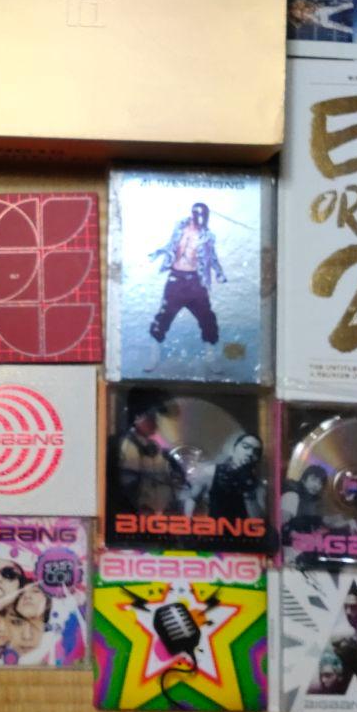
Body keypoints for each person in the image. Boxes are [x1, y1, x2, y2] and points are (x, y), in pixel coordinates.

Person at [146, 201, 225, 373]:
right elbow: (170, 246)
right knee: (163, 317)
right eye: (198, 215)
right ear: (192, 214)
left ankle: (211, 357)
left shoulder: (207, 236)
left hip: (196, 282)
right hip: (176, 280)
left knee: (207, 319)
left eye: (203, 216)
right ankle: (153, 356)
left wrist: (219, 272)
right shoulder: (179, 229)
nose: (200, 219)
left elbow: (212, 256)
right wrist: (158, 252)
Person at [180, 432, 266, 523]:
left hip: (242, 530)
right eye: (245, 447)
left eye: (256, 451)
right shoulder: (211, 472)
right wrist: (189, 522)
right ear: (234, 448)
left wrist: (248, 492)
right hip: (215, 529)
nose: (250, 453)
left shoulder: (256, 484)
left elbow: (257, 520)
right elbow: (192, 499)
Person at [117, 398, 174, 514]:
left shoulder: (153, 444)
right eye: (151, 418)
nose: (155, 423)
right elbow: (129, 485)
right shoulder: (128, 446)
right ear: (138, 419)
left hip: (158, 511)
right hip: (143, 512)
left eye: (156, 418)